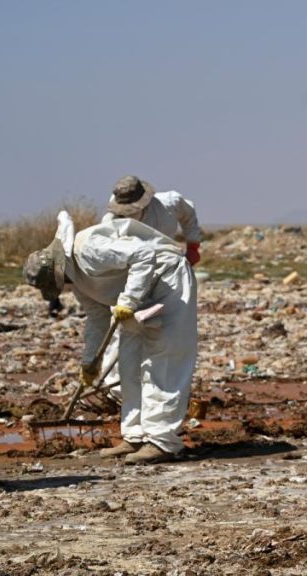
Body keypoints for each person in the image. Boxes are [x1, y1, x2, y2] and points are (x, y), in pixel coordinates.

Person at [23, 213, 198, 464]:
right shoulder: (78, 282)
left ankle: (162, 441)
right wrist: (90, 361)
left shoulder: (88, 249)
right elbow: (97, 319)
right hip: (135, 295)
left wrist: (128, 301)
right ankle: (134, 435)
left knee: (162, 361)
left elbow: (144, 254)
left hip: (166, 280)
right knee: (130, 364)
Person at [99, 175, 203, 398]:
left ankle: (161, 387)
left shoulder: (169, 203)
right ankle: (114, 390)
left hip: (167, 273)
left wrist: (193, 244)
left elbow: (189, 214)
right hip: (132, 275)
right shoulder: (111, 220)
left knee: (165, 331)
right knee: (121, 327)